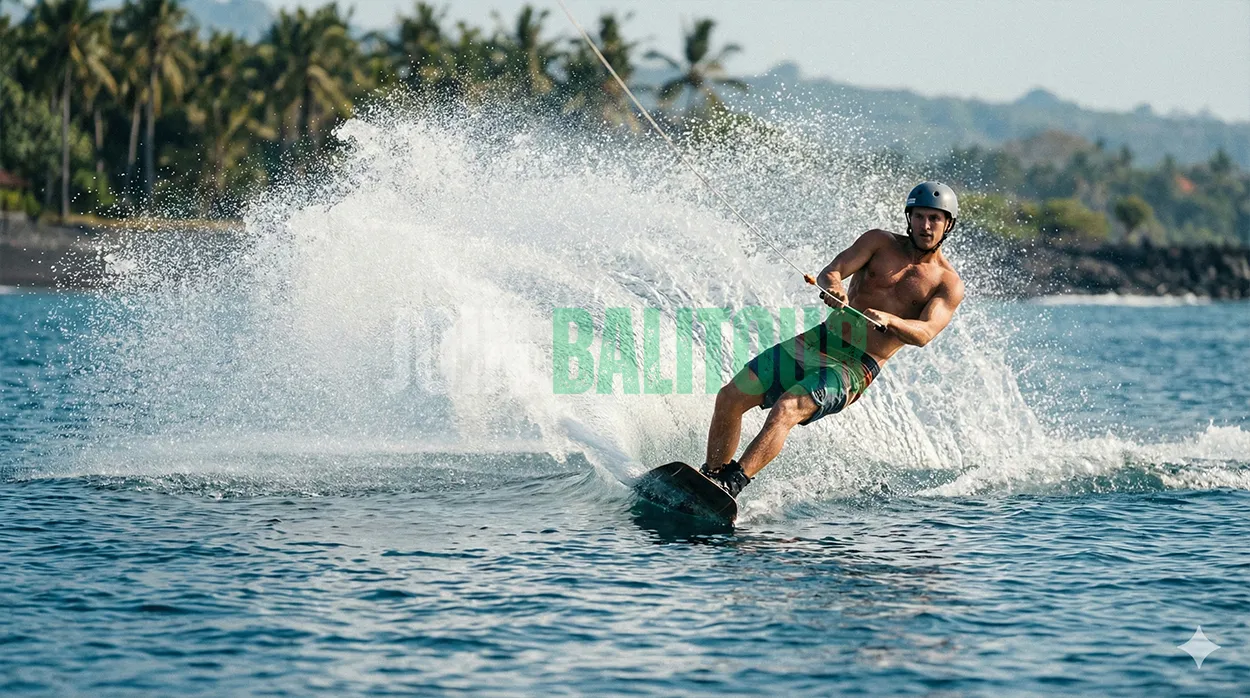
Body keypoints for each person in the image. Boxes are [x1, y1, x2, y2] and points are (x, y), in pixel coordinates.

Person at [700, 182, 966, 496]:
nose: (925, 226)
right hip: (820, 341)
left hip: (854, 367)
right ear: (909, 218)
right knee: (731, 396)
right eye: (919, 217)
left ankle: (732, 485)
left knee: (787, 408)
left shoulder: (948, 283)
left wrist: (892, 320)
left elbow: (924, 333)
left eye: (934, 219)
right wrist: (835, 287)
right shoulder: (878, 242)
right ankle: (710, 478)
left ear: (948, 224)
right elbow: (833, 271)